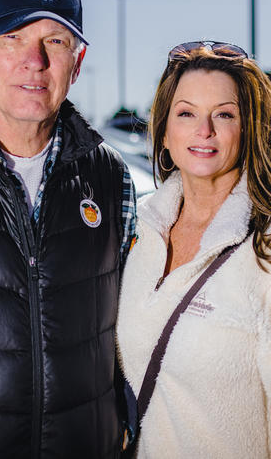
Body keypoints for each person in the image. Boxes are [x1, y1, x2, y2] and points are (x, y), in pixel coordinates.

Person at [0, 0, 136, 458]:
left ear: (78, 60)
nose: (34, 61)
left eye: (55, 41)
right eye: (11, 37)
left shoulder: (112, 179)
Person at [116, 41, 271, 458]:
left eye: (224, 114)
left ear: (249, 128)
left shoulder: (265, 250)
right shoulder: (139, 230)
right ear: (164, 132)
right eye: (186, 113)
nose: (205, 131)